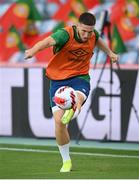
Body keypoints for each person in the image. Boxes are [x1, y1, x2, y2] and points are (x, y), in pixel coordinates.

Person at [25, 12, 118, 172]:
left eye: (90, 31)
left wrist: (110, 53)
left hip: (80, 77)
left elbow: (98, 40)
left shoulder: (92, 34)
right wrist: (33, 50)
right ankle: (66, 160)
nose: (87, 35)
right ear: (77, 26)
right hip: (58, 81)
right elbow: (47, 42)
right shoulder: (65, 34)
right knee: (59, 123)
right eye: (83, 31)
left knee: (78, 98)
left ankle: (74, 107)